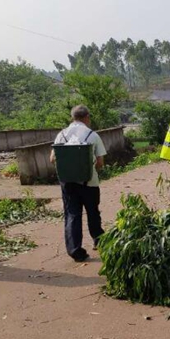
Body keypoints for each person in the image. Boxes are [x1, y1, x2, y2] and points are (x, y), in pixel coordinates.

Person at [50, 105, 107, 262]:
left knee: (72, 214)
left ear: (72, 117)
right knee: (92, 211)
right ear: (87, 117)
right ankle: (99, 241)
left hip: (68, 183)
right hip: (89, 182)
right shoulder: (92, 135)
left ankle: (75, 250)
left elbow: (52, 159)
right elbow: (100, 162)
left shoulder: (61, 135)